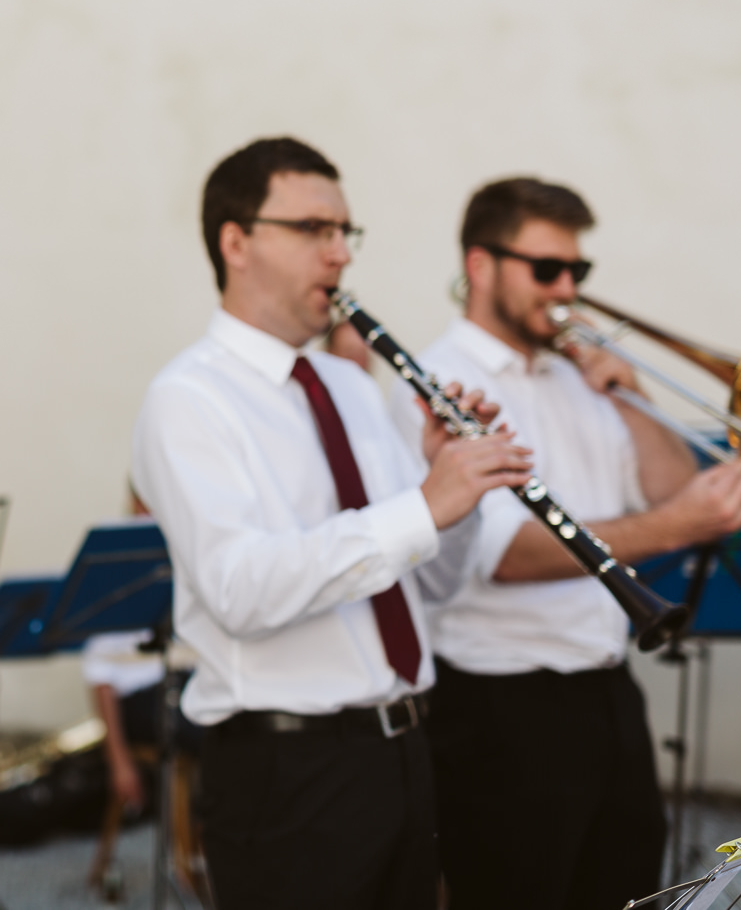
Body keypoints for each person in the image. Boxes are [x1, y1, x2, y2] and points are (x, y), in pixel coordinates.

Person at [131, 137, 534, 910]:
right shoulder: (188, 398)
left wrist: (455, 497)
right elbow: (240, 589)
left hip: (405, 751)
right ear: (236, 241)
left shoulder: (350, 388)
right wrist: (422, 506)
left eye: (346, 232)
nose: (341, 254)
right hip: (290, 773)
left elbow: (431, 587)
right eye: (315, 229)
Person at [386, 177, 741, 910]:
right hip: (501, 705)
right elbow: (506, 553)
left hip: (605, 685)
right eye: (546, 269)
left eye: (578, 272)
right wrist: (676, 527)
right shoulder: (438, 383)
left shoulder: (573, 375)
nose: (567, 290)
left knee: (626, 891)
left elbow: (666, 486)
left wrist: (636, 400)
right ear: (480, 265)